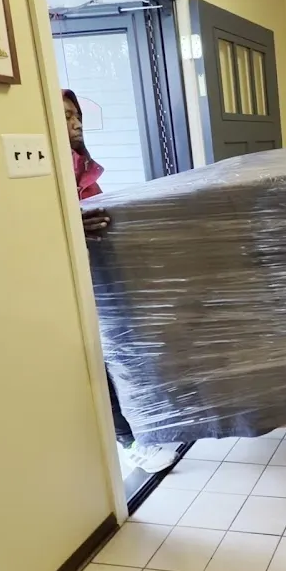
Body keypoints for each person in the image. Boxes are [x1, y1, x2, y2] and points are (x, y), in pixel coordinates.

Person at [63, 89, 175, 474]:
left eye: (76, 115)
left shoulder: (81, 169)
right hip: (68, 283)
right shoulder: (45, 172)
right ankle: (129, 442)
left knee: (116, 356)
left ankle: (143, 428)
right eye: (65, 116)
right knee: (99, 361)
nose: (76, 123)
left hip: (97, 278)